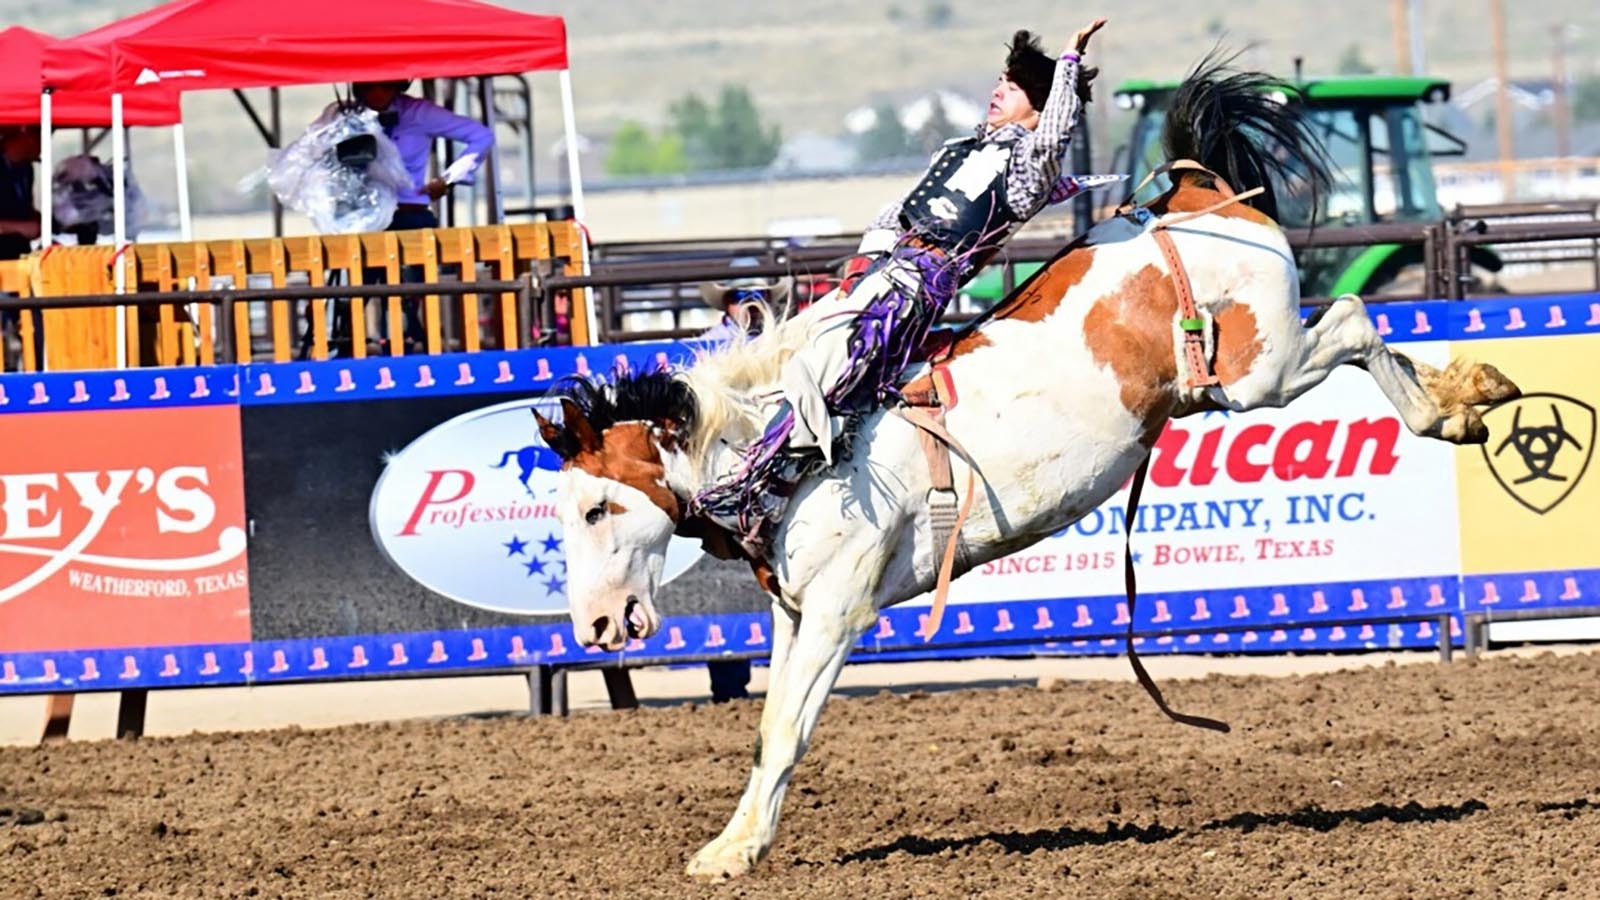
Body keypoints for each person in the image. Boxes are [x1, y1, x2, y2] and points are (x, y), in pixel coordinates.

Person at [692, 20, 1108, 552]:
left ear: (1039, 103)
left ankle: (769, 488)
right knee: (791, 349)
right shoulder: (959, 149)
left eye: (1013, 86)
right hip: (882, 269)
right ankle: (738, 463)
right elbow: (901, 209)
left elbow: (1054, 136)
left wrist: (1069, 62)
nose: (998, 91)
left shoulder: (1030, 167)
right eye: (1000, 81)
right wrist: (866, 257)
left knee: (829, 370)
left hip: (913, 289)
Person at [331, 81, 495, 354]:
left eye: (384, 87)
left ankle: (417, 355)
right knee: (355, 297)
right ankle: (348, 356)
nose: (377, 93)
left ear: (396, 87)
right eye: (369, 87)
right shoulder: (343, 115)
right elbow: (313, 150)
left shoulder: (419, 113)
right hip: (363, 219)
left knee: (410, 297)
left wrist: (448, 178)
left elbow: (481, 135)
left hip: (408, 215)